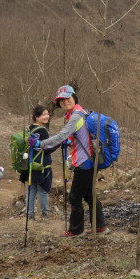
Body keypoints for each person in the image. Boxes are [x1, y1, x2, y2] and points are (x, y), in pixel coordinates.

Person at [31, 86, 105, 236]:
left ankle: (76, 231)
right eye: (61, 100)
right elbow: (81, 136)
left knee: (75, 197)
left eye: (67, 98)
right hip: (90, 159)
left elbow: (61, 136)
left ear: (74, 97)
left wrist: (40, 143)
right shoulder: (80, 112)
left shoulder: (76, 115)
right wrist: (70, 142)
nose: (65, 101)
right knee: (89, 195)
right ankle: (100, 226)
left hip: (84, 162)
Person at [24, 105, 57, 219]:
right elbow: (48, 150)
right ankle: (44, 214)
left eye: (47, 114)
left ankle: (30, 214)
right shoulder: (43, 130)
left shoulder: (28, 129)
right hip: (42, 166)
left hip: (30, 165)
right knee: (43, 190)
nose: (47, 116)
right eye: (44, 114)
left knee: (31, 190)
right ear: (36, 116)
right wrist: (59, 143)